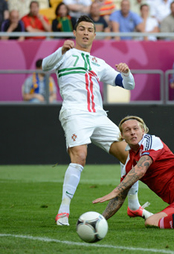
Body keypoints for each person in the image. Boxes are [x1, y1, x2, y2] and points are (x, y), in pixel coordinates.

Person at [42, 15, 150, 226]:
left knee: (131, 156)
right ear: (75, 32)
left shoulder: (97, 62)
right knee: (80, 156)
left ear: (94, 34)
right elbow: (45, 66)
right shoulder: (65, 55)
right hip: (75, 112)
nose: (85, 33)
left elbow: (128, 85)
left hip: (99, 116)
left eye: (89, 30)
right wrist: (61, 50)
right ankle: (63, 211)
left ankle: (134, 206)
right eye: (81, 29)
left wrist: (127, 74)